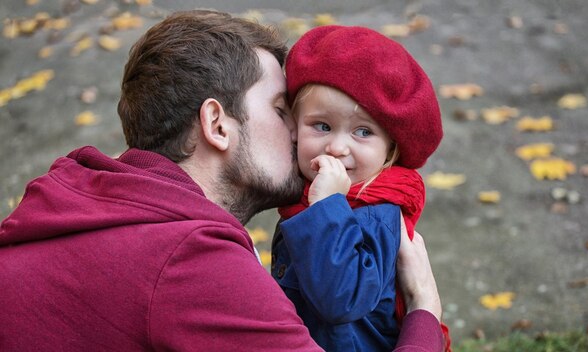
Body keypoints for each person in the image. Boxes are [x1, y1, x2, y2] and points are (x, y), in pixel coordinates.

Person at [0, 10, 444, 351]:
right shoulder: (191, 260)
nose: (301, 134)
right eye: (280, 111)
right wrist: (424, 308)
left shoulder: (96, 196)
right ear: (217, 123)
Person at [271, 25, 450, 351]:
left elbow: (340, 299)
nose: (337, 147)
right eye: (322, 126)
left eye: (363, 132)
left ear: (390, 149)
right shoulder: (302, 200)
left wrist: (327, 205)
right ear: (296, 129)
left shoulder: (375, 215)